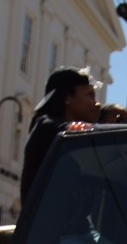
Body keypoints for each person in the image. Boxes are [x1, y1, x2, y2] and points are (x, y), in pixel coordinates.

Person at [20, 67, 101, 200]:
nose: (97, 104)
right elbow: (72, 128)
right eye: (89, 95)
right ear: (67, 98)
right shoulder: (47, 127)